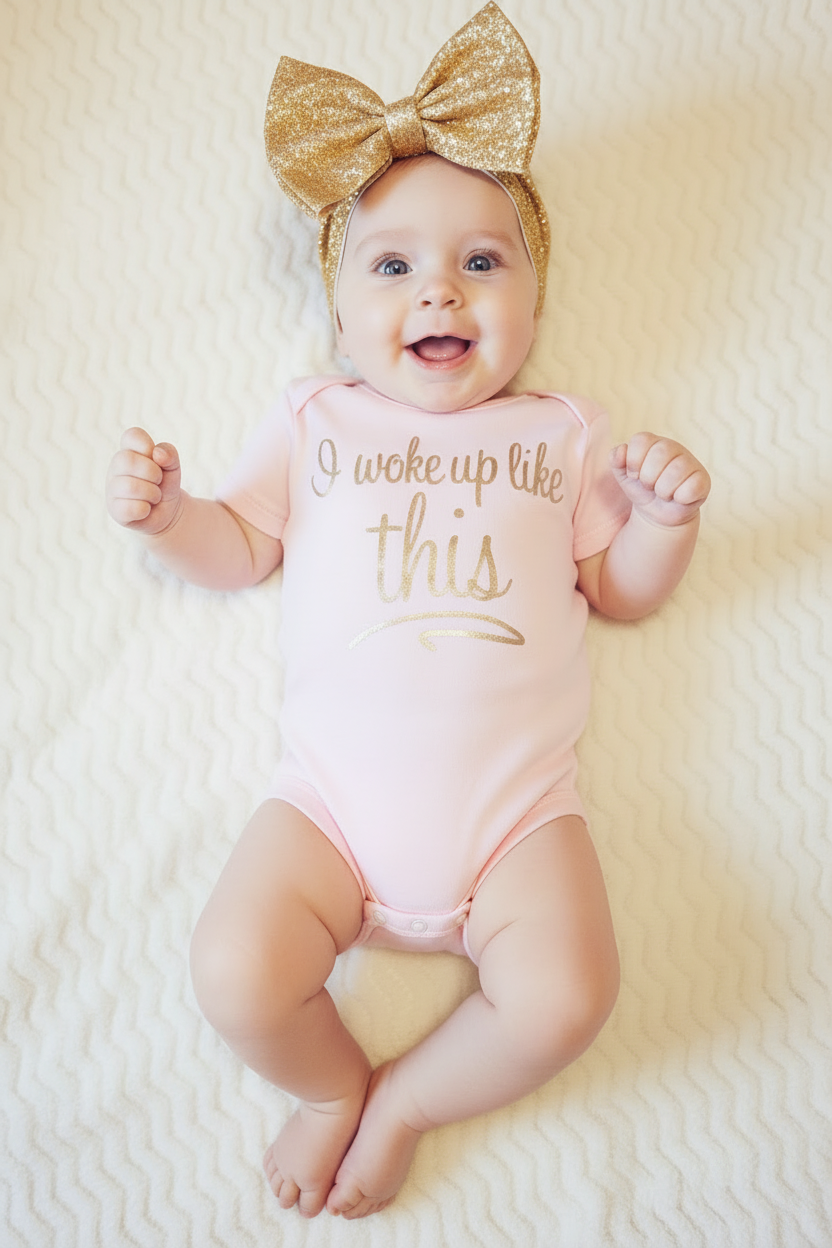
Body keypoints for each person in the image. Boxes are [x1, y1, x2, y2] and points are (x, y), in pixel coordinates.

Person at [105, 3, 710, 1222]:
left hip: (517, 820)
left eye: (484, 262)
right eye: (393, 267)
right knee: (235, 968)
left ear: (534, 300)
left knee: (566, 997)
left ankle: (406, 1102)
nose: (440, 288)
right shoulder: (317, 419)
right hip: (326, 807)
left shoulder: (562, 433)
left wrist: (661, 525)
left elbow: (623, 598)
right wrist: (176, 518)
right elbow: (244, 549)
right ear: (340, 313)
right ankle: (332, 1090)